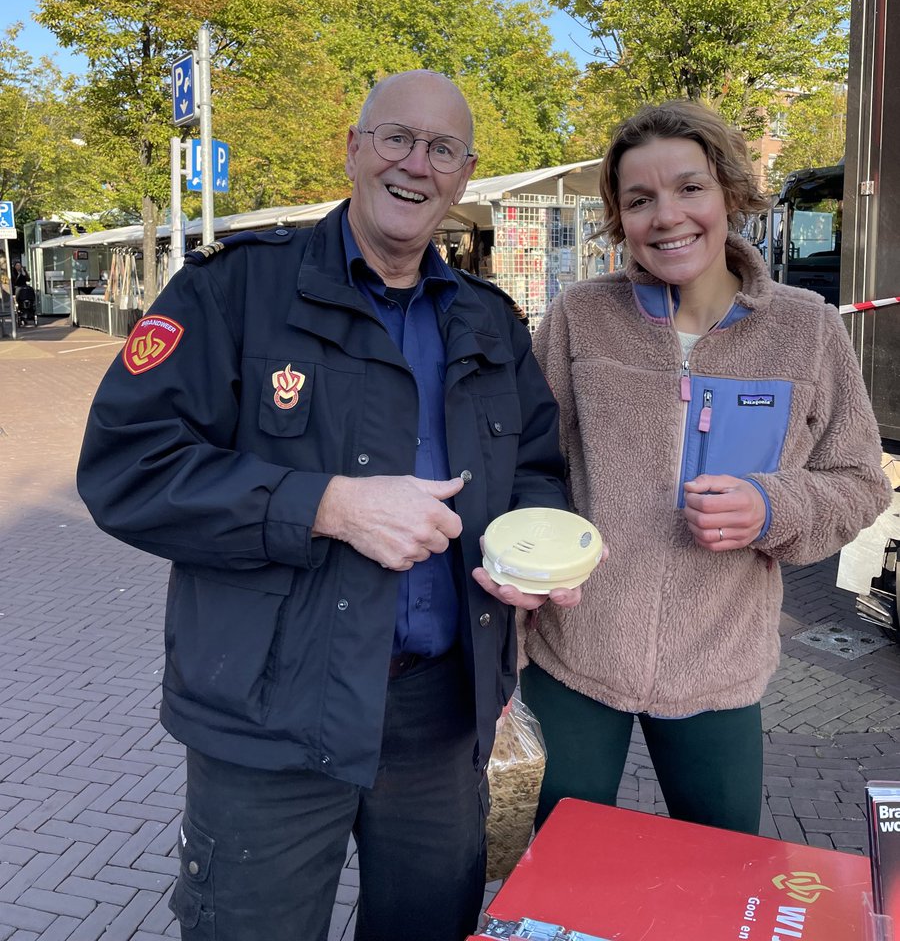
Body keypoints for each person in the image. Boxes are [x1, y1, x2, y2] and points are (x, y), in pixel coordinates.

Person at [77, 70, 580, 941]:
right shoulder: (234, 290)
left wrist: (528, 556)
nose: (416, 164)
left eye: (442, 150)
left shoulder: (489, 322)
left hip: (440, 716)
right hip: (270, 709)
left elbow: (534, 467)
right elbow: (127, 466)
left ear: (464, 175)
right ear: (353, 150)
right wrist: (327, 505)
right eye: (396, 138)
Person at [521, 99, 890, 837]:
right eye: (639, 199)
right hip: (575, 652)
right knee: (565, 866)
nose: (667, 216)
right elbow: (527, 466)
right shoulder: (578, 317)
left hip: (718, 666)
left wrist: (773, 506)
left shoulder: (807, 329)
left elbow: (859, 481)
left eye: (689, 188)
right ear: (618, 216)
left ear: (729, 192)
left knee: (723, 867)